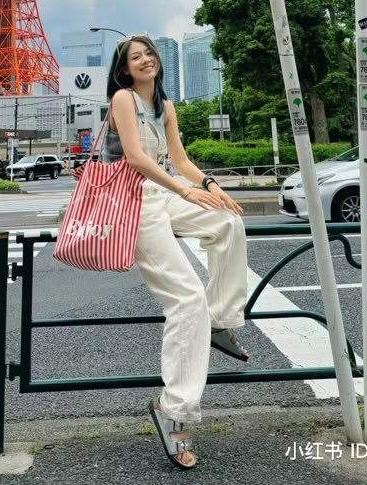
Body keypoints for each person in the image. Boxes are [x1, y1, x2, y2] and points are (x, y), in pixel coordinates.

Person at [103, 34, 248, 470]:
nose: (145, 59)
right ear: (125, 68)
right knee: (186, 300)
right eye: (136, 57)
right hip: (133, 200)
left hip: (162, 192)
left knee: (228, 221)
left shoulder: (165, 106)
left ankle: (219, 320)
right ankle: (174, 412)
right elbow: (135, 159)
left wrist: (211, 186)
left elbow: (180, 160)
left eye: (149, 53)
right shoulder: (123, 99)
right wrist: (184, 189)